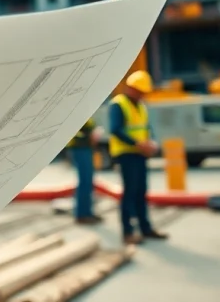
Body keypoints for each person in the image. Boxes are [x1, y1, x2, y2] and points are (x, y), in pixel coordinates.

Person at [108, 70, 168, 245]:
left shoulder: (141, 106)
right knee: (130, 192)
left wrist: (151, 143)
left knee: (141, 191)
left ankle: (145, 228)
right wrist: (138, 144)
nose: (141, 95)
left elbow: (146, 128)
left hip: (140, 154)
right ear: (131, 88)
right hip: (125, 154)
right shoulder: (118, 104)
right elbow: (115, 129)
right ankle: (127, 232)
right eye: (139, 91)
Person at [66, 118, 102, 225]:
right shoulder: (76, 112)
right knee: (84, 181)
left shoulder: (87, 114)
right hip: (79, 148)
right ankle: (81, 215)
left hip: (85, 148)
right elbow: (77, 132)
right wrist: (89, 136)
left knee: (88, 181)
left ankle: (87, 212)